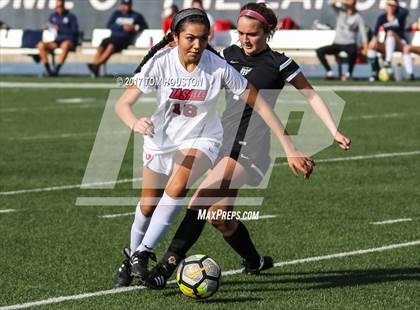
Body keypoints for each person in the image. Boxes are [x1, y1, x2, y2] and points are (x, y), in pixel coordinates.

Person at [139, 2, 351, 289]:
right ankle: (255, 261)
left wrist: (332, 131)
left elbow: (311, 96)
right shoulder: (227, 56)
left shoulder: (279, 63)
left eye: (252, 34)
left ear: (269, 32)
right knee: (219, 218)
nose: (245, 39)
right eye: (240, 33)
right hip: (220, 144)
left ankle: (167, 264)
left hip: (251, 149)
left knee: (199, 199)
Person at [87, 0, 148, 77]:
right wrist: (121, 27)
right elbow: (109, 25)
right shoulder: (116, 14)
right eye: (124, 5)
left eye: (127, 5)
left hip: (124, 39)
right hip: (113, 37)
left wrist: (134, 27)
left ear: (130, 6)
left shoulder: (136, 16)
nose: (125, 7)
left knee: (111, 46)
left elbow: (144, 26)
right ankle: (95, 65)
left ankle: (96, 65)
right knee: (102, 45)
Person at [316, 0, 368, 81]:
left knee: (353, 52)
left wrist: (365, 47)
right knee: (319, 51)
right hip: (337, 43)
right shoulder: (341, 12)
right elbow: (330, 2)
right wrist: (344, 1)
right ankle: (329, 72)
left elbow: (363, 33)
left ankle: (349, 73)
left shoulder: (358, 17)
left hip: (350, 43)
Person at [367, 0, 413, 81]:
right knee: (371, 46)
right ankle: (375, 72)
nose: (390, 7)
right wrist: (374, 40)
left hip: (400, 43)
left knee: (390, 32)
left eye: (392, 5)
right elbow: (376, 32)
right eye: (388, 4)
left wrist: (396, 5)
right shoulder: (382, 17)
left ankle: (388, 61)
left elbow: (405, 11)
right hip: (388, 45)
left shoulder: (400, 14)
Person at [37, 0, 79, 77]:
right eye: (57, 7)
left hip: (67, 40)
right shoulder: (53, 16)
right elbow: (49, 26)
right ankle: (48, 70)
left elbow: (75, 31)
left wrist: (60, 29)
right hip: (56, 41)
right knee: (41, 45)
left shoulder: (71, 17)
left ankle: (56, 70)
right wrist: (47, 28)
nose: (58, 8)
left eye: (60, 6)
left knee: (65, 45)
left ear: (64, 6)